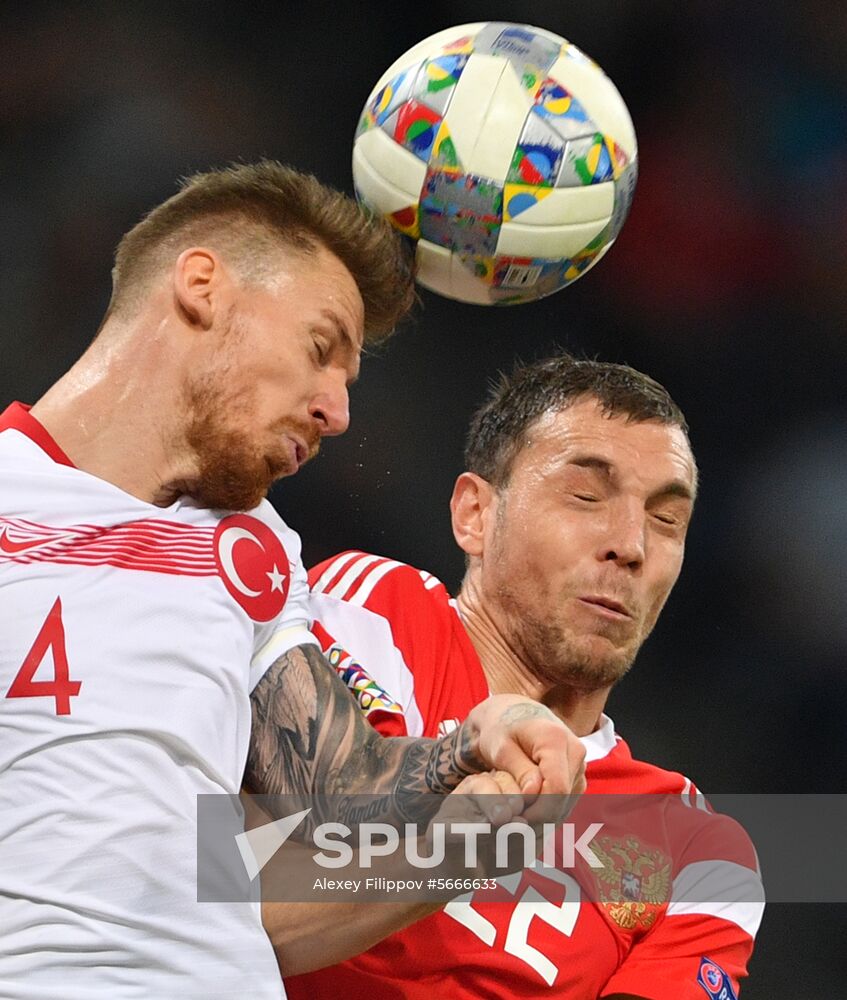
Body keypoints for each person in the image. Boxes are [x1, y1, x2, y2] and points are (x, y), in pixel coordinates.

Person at [0, 162, 586, 999]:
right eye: (320, 351)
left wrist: (478, 741)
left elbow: (337, 793)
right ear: (201, 287)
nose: (337, 412)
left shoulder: (249, 545)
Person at [283, 354, 765, 999]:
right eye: (586, 497)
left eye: (666, 521)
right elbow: (253, 879)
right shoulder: (377, 610)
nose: (631, 545)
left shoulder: (697, 850)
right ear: (475, 515)